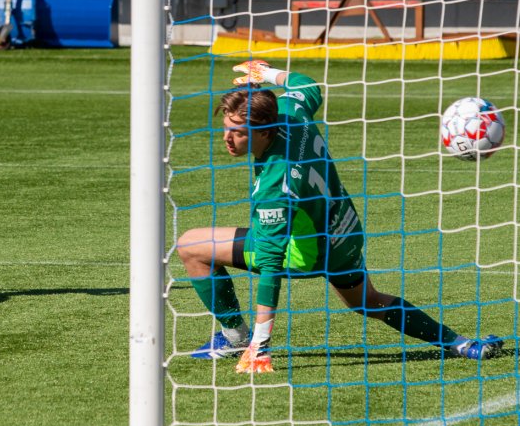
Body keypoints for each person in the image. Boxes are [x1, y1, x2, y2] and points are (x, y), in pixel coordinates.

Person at [177, 60, 504, 373]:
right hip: (344, 234)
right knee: (368, 301)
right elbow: (305, 84)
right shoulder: (293, 113)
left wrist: (260, 343)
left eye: (239, 132)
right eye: (226, 129)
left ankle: (236, 338)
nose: (227, 139)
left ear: (265, 131)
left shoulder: (274, 185)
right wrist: (265, 72)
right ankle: (461, 344)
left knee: (191, 246)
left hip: (305, 252)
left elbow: (270, 265)